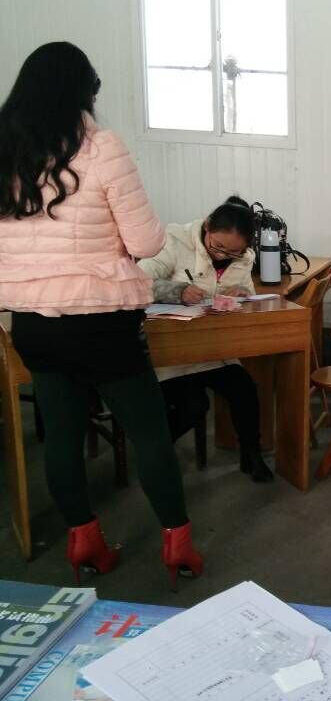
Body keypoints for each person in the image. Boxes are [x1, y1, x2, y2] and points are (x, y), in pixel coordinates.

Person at [0, 42, 202, 588]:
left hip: (32, 322)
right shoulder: (102, 148)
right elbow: (146, 242)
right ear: (84, 91)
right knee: (150, 433)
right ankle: (178, 546)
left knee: (61, 438)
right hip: (101, 321)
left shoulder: (5, 152)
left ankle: (84, 543)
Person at [138, 196, 273, 482]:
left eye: (233, 252)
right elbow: (136, 282)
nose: (223, 256)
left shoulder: (244, 257)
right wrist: (177, 291)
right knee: (194, 405)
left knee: (245, 389)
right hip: (172, 352)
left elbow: (248, 294)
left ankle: (251, 454)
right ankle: (153, 452)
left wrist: (242, 294)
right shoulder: (174, 240)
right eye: (217, 246)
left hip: (213, 349)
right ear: (208, 226)